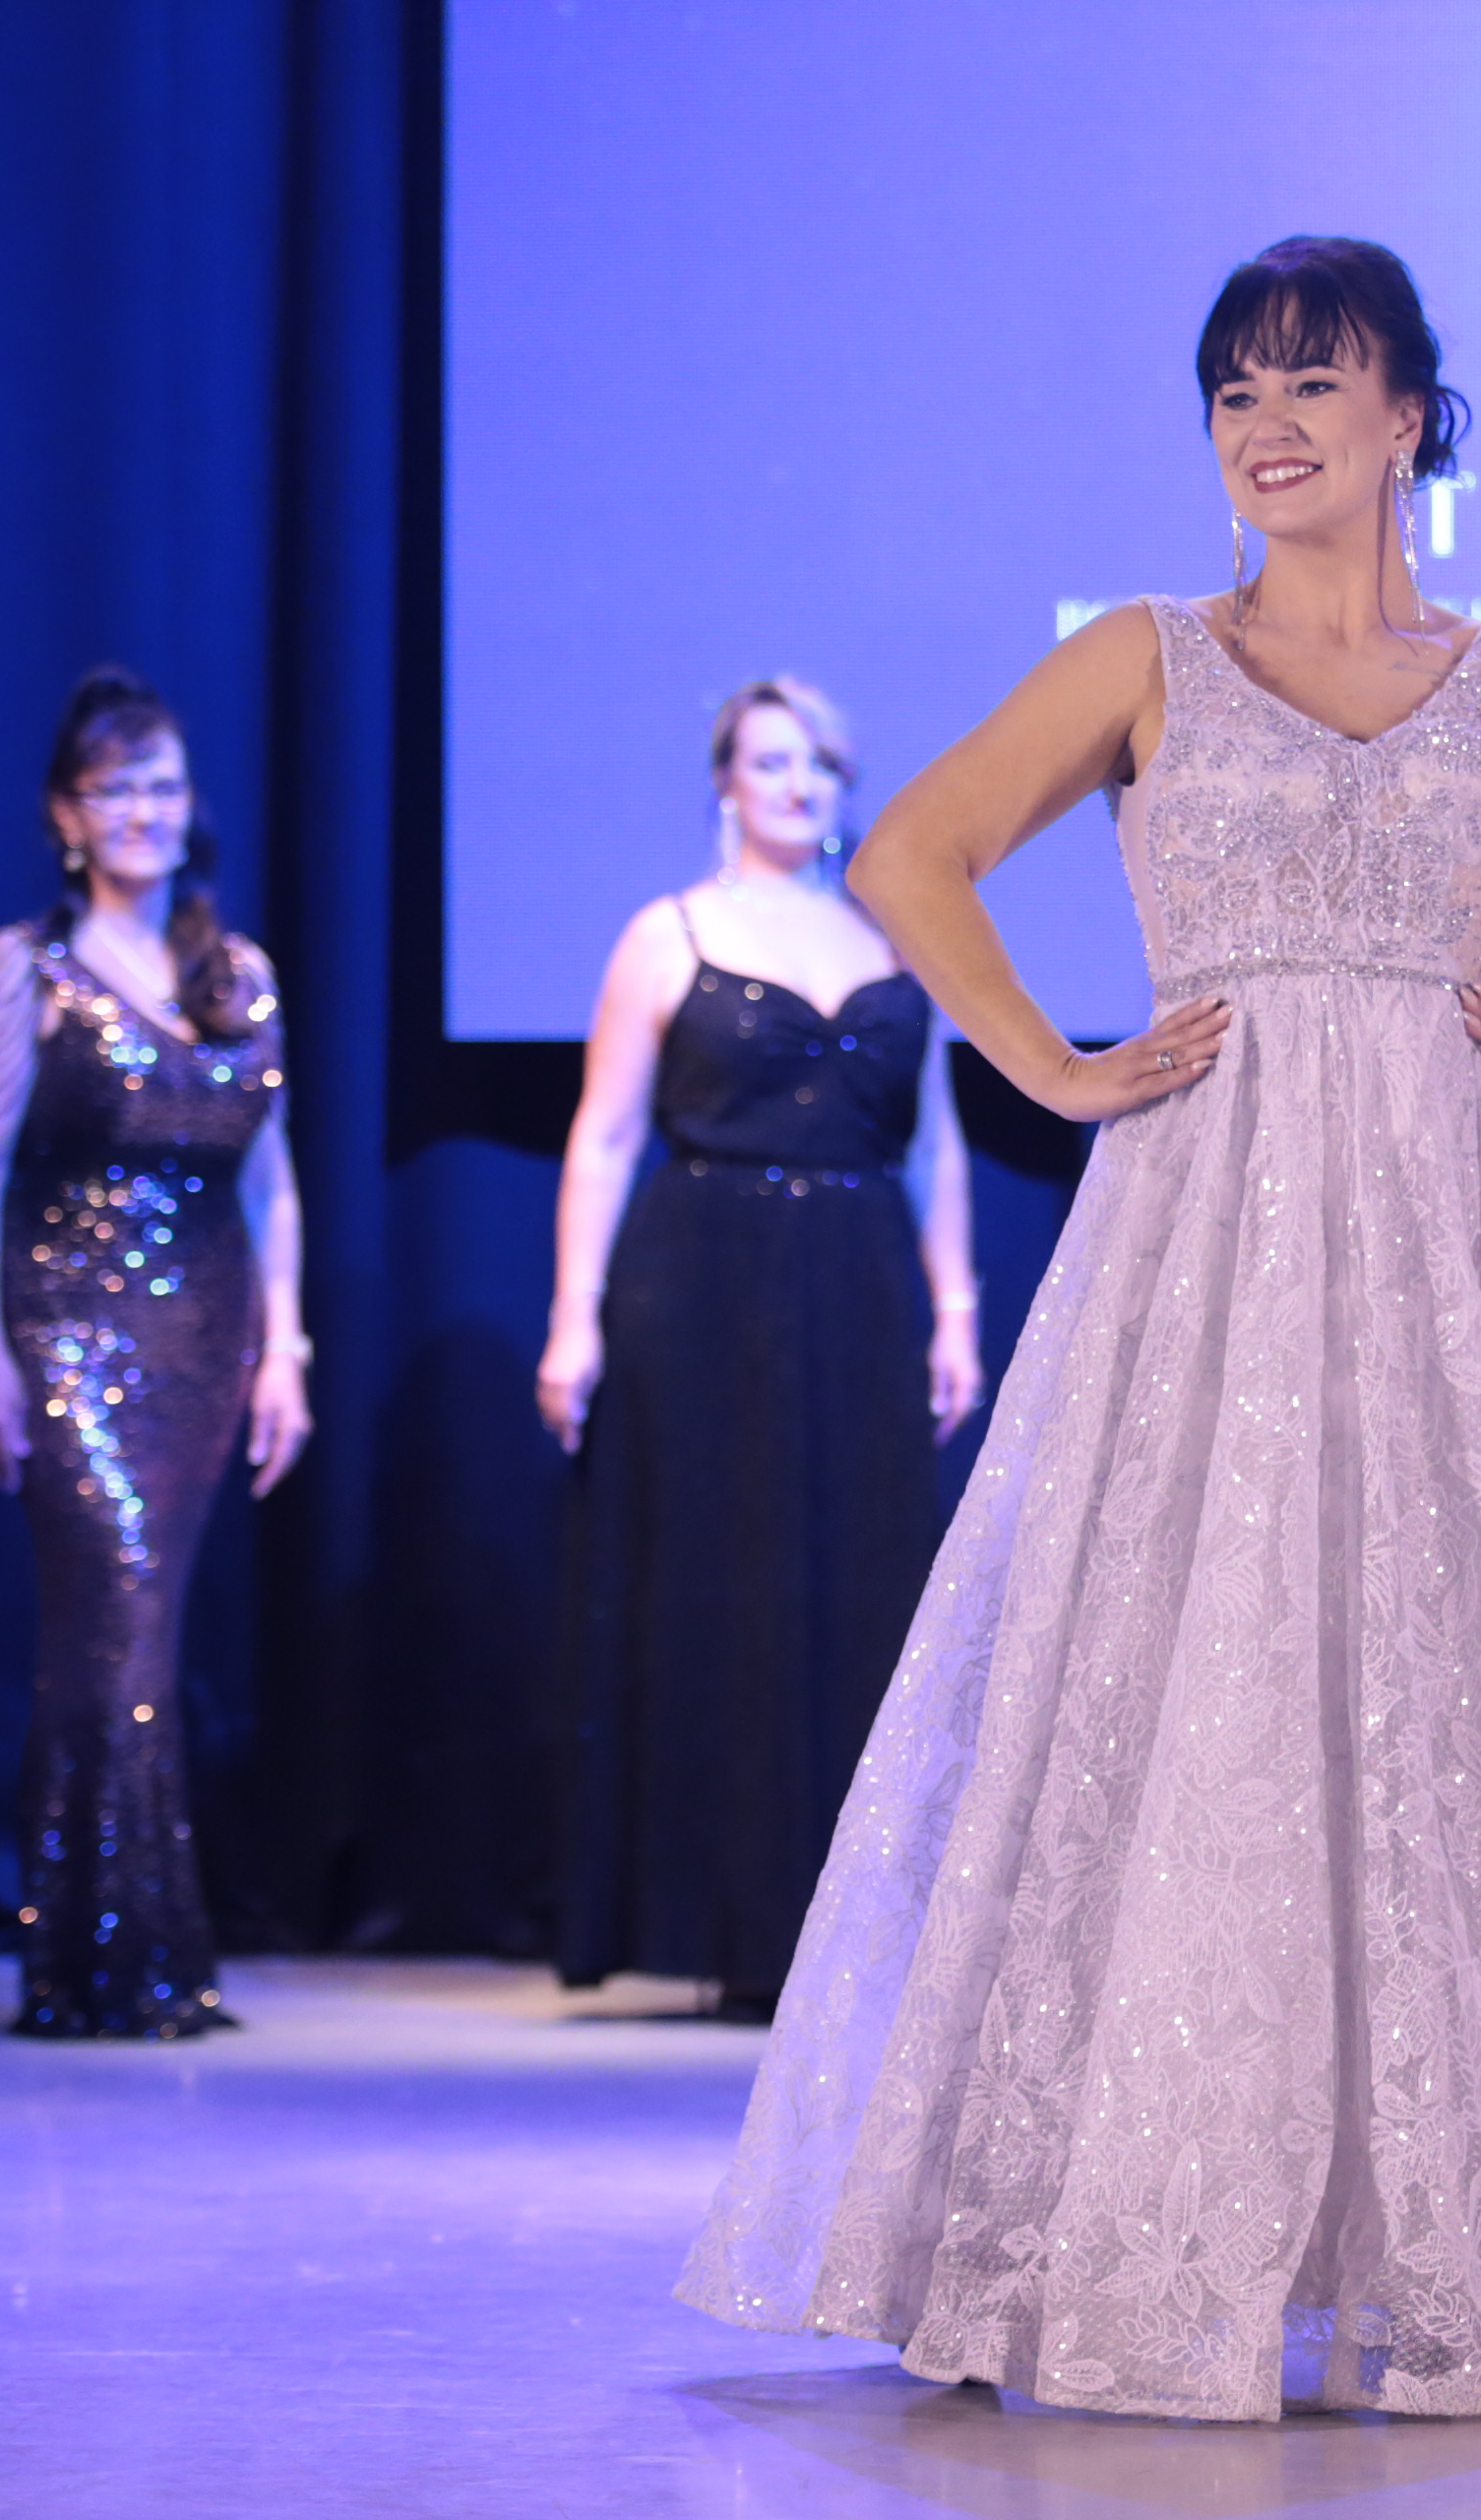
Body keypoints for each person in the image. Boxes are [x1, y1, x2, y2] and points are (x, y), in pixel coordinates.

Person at [677, 236, 1481, 2420]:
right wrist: (1056, 1069)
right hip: (1207, 1236)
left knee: (1477, 1690)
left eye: (1314, 382)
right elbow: (920, 858)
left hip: (1473, 1248)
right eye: (1236, 391)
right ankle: (1142, 2232)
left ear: (1410, 416)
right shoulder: (1148, 656)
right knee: (1193, 1683)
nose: (1269, 424)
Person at [538, 676, 983, 2022]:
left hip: (859, 1282)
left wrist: (954, 1307)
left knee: (857, 1588)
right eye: (772, 761)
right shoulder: (668, 934)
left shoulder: (897, 936)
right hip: (699, 1282)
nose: (797, 785)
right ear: (726, 781)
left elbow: (934, 1142)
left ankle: (850, 1928)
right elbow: (605, 1134)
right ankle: (716, 1918)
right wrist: (572, 1319)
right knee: (713, 1587)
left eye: (819, 766)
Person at [0, 668, 309, 2040]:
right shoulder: (25, 969)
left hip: (208, 1338)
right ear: (67, 814)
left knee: (144, 1632)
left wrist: (287, 1350)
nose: (144, 811)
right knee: (113, 1620)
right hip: (68, 1331)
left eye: (163, 785)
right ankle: (100, 1956)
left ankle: (131, 1954)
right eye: (116, 790)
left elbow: (271, 1180)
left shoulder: (237, 973)